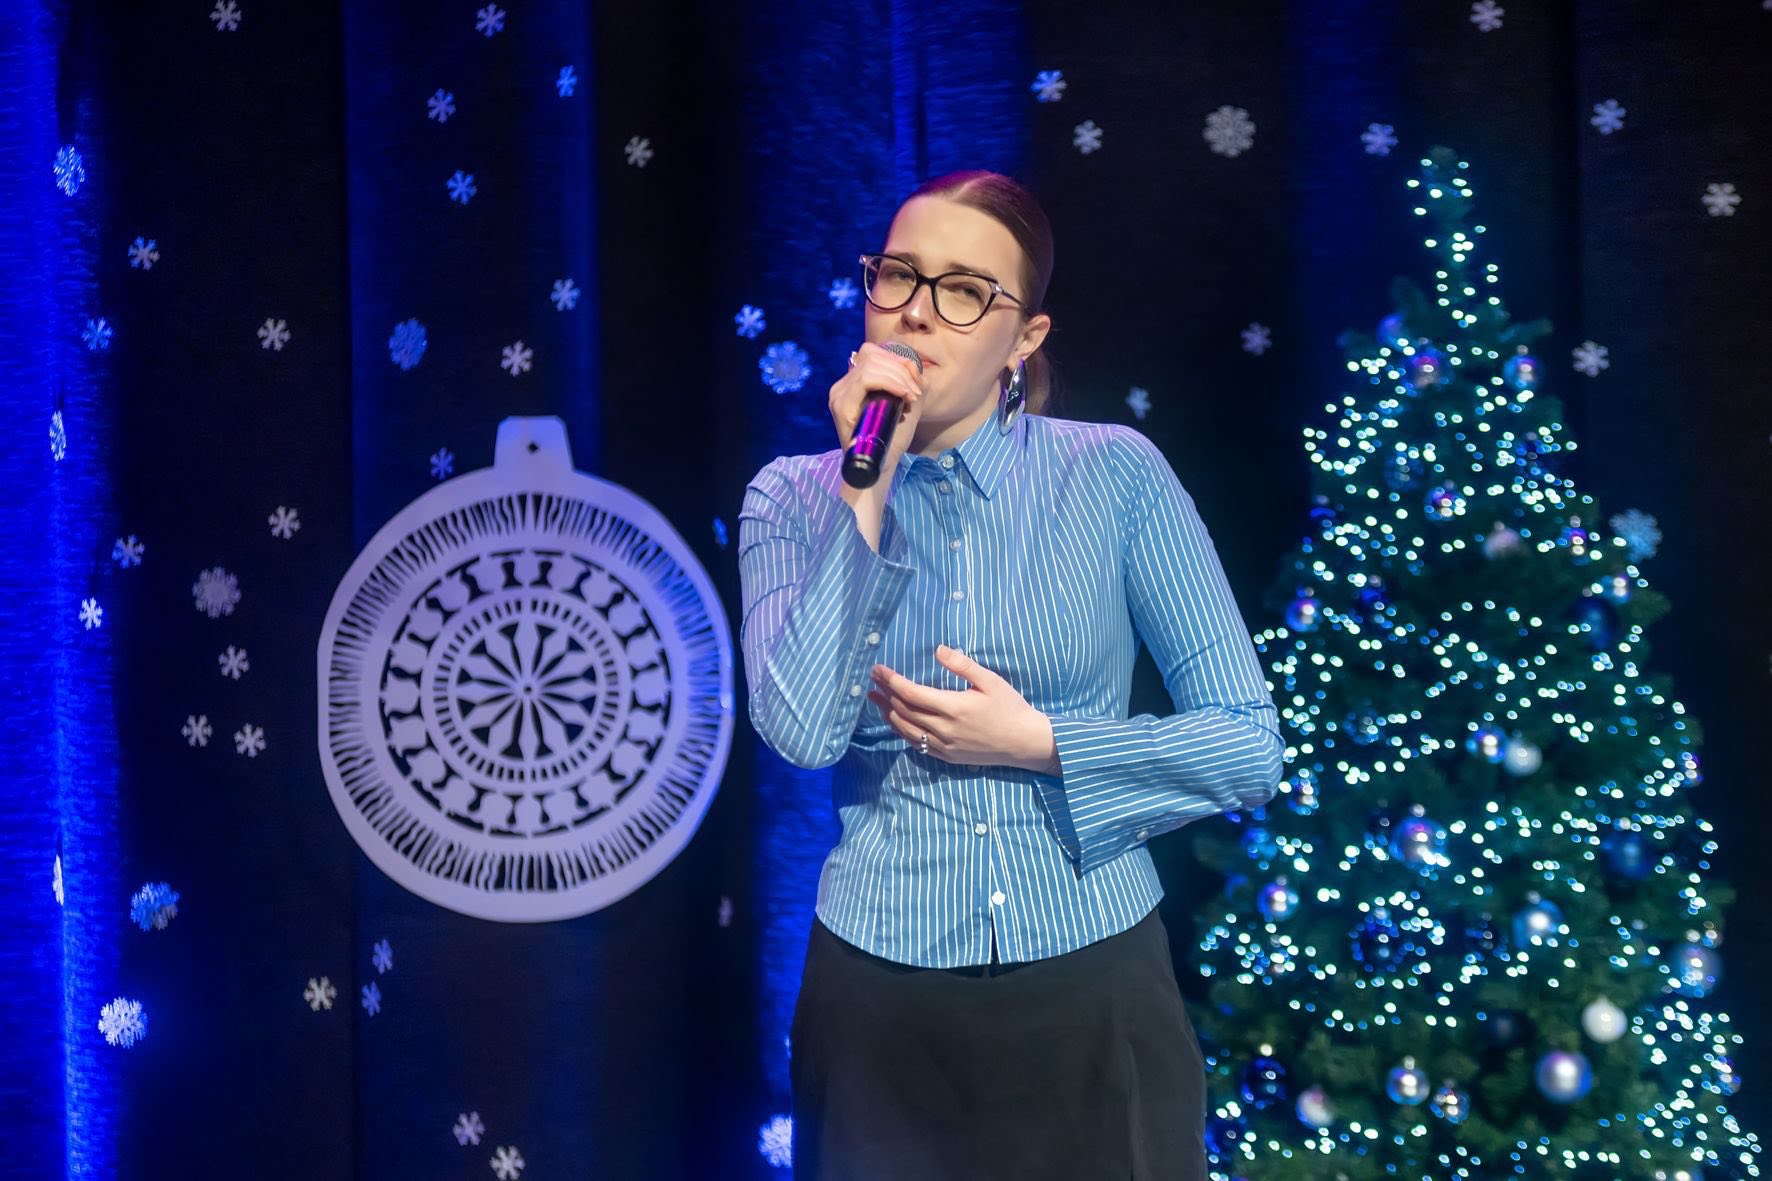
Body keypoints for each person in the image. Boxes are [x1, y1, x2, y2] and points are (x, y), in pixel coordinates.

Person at [737, 170, 1285, 1180]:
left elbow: (1248, 745)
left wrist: (1043, 743)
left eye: (961, 290)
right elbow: (802, 731)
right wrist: (868, 482)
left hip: (1093, 982)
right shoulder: (790, 498)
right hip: (879, 1001)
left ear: (1023, 338)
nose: (915, 311)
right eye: (897, 276)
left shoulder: (1113, 474)